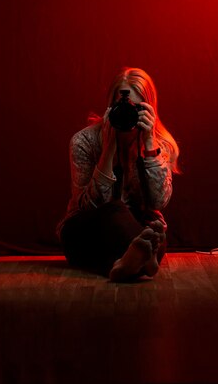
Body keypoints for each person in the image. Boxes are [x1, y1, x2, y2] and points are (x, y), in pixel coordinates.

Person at [57, 67, 180, 282]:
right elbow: (88, 207)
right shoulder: (84, 142)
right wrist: (108, 150)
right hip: (86, 231)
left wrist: (149, 144)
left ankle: (123, 265)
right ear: (110, 107)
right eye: (121, 106)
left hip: (133, 225)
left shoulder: (161, 144)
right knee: (116, 210)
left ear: (149, 109)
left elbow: (158, 202)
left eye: (136, 108)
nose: (128, 113)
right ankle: (141, 261)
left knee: (154, 229)